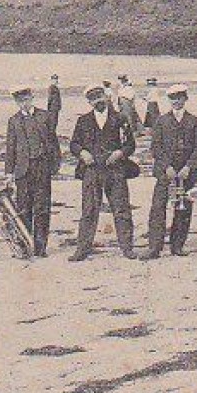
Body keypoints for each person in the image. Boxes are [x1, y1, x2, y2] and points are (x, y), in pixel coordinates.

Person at [68, 83, 138, 261]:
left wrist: (120, 153)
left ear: (106, 97)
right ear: (89, 102)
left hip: (115, 171)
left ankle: (127, 248)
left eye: (99, 96)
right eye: (92, 99)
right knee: (89, 210)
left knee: (121, 209)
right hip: (91, 171)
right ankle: (82, 249)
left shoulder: (120, 118)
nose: (97, 101)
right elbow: (74, 144)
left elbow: (130, 144)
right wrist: (82, 153)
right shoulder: (82, 121)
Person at [141, 84, 197, 259]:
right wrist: (166, 166)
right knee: (158, 208)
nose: (176, 101)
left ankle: (177, 245)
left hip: (186, 173)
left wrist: (188, 167)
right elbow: (156, 147)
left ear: (185, 99)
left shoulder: (194, 121)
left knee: (183, 209)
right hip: (165, 173)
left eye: (180, 97)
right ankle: (155, 247)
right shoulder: (161, 121)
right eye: (173, 98)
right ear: (169, 100)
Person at [3, 85, 61, 257]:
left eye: (26, 100)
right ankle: (25, 245)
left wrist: (54, 165)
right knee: (23, 209)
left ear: (31, 98)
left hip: (42, 168)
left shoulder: (45, 116)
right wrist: (9, 173)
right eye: (19, 101)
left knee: (42, 208)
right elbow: (10, 147)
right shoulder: (13, 121)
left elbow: (53, 142)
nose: (23, 104)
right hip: (22, 171)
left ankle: (41, 248)